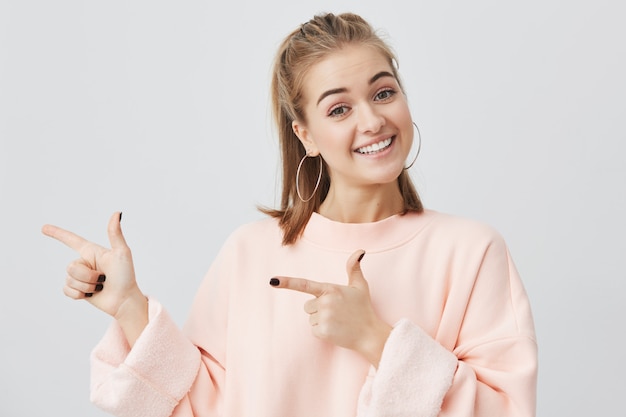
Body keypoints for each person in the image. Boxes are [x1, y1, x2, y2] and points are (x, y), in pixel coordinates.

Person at [42, 12, 537, 417]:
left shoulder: (471, 251)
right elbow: (204, 404)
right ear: (305, 135)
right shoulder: (251, 252)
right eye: (339, 109)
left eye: (383, 92)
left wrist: (373, 338)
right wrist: (130, 305)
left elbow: (507, 410)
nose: (372, 120)